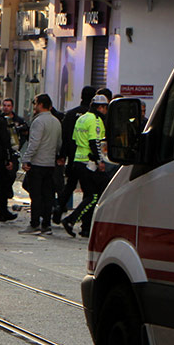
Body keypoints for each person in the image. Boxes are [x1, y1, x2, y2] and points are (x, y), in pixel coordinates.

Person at [63, 93, 110, 237]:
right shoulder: (96, 120)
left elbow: (74, 139)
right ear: (101, 107)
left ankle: (85, 227)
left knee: (88, 195)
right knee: (93, 197)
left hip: (78, 160)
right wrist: (99, 161)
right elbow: (94, 142)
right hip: (88, 163)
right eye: (105, 108)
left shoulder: (82, 118)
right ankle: (71, 220)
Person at [20, 94, 63, 235]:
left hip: (37, 163)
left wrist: (26, 159)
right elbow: (58, 143)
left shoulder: (38, 122)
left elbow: (34, 143)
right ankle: (46, 224)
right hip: (50, 163)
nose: (34, 106)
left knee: (36, 195)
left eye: (35, 103)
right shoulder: (56, 121)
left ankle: (34, 223)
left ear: (40, 104)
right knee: (48, 195)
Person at [56, 86, 93, 225]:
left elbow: (65, 137)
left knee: (69, 186)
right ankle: (85, 221)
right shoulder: (92, 116)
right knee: (88, 191)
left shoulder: (71, 114)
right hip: (88, 159)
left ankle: (58, 210)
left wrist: (62, 155)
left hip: (73, 157)